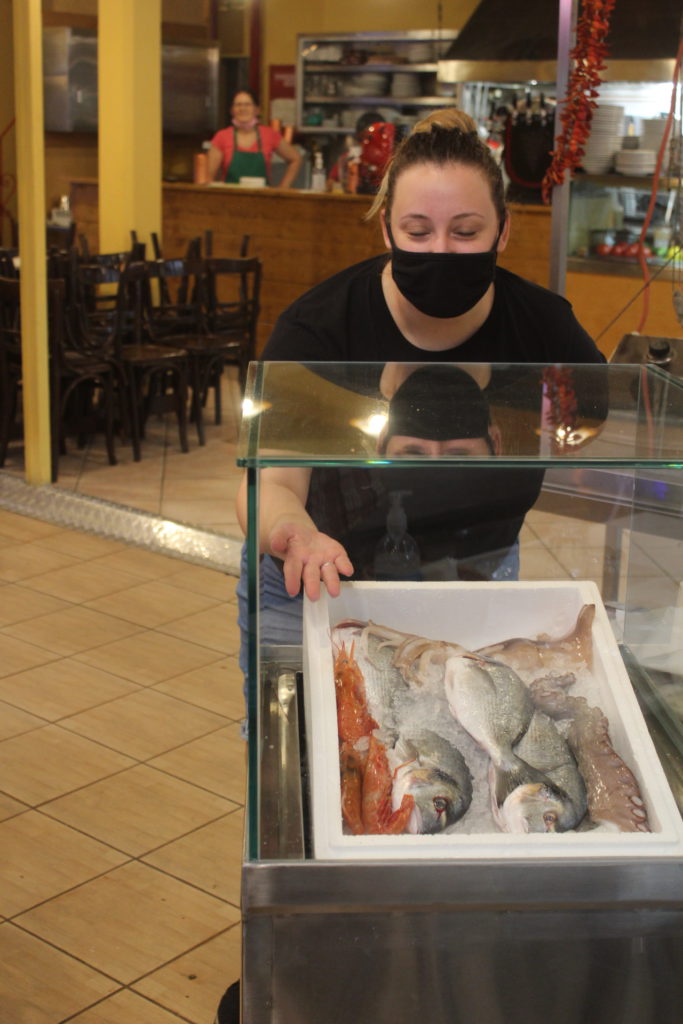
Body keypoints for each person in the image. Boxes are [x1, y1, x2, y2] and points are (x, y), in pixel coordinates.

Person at [207, 90, 302, 188]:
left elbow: (295, 159)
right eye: (238, 105)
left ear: (257, 109)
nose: (242, 108)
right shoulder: (222, 137)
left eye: (248, 104)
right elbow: (209, 177)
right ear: (231, 110)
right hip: (230, 200)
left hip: (262, 199)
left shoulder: (269, 135)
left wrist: (283, 187)